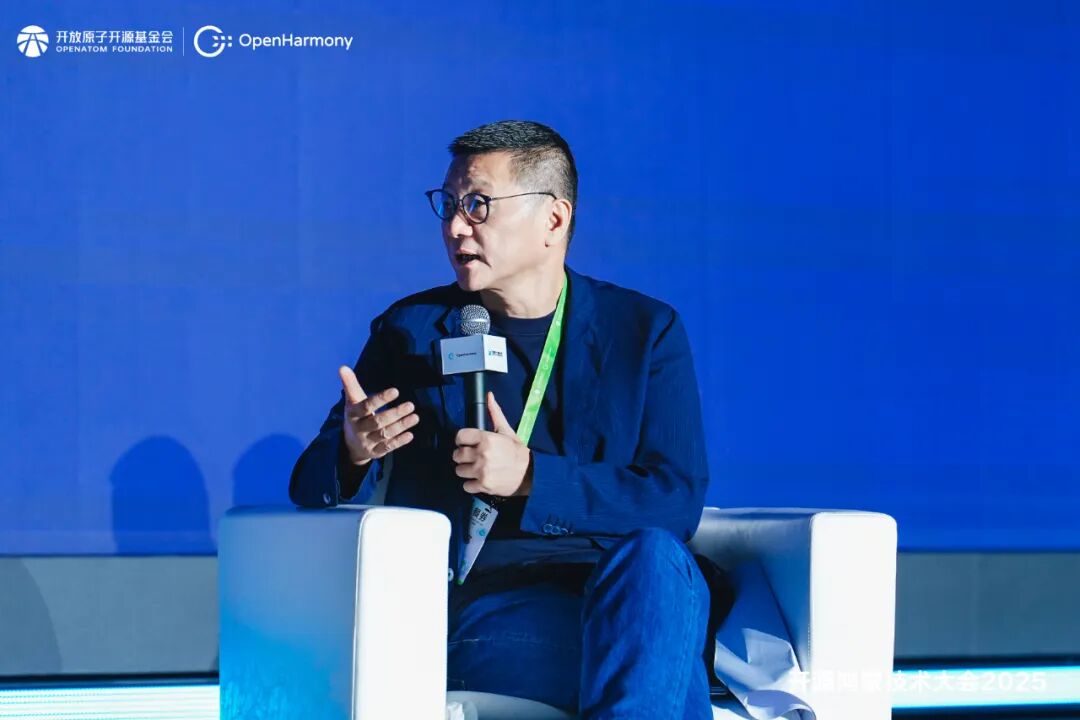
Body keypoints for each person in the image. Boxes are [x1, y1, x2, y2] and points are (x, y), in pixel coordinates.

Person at [289, 119, 730, 719]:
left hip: (629, 590)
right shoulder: (411, 331)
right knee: (656, 666)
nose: (455, 227)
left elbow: (674, 501)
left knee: (654, 562)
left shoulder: (643, 331)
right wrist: (352, 449)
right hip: (496, 607)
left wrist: (531, 478)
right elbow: (308, 482)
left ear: (554, 219)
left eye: (478, 205)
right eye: (448, 205)